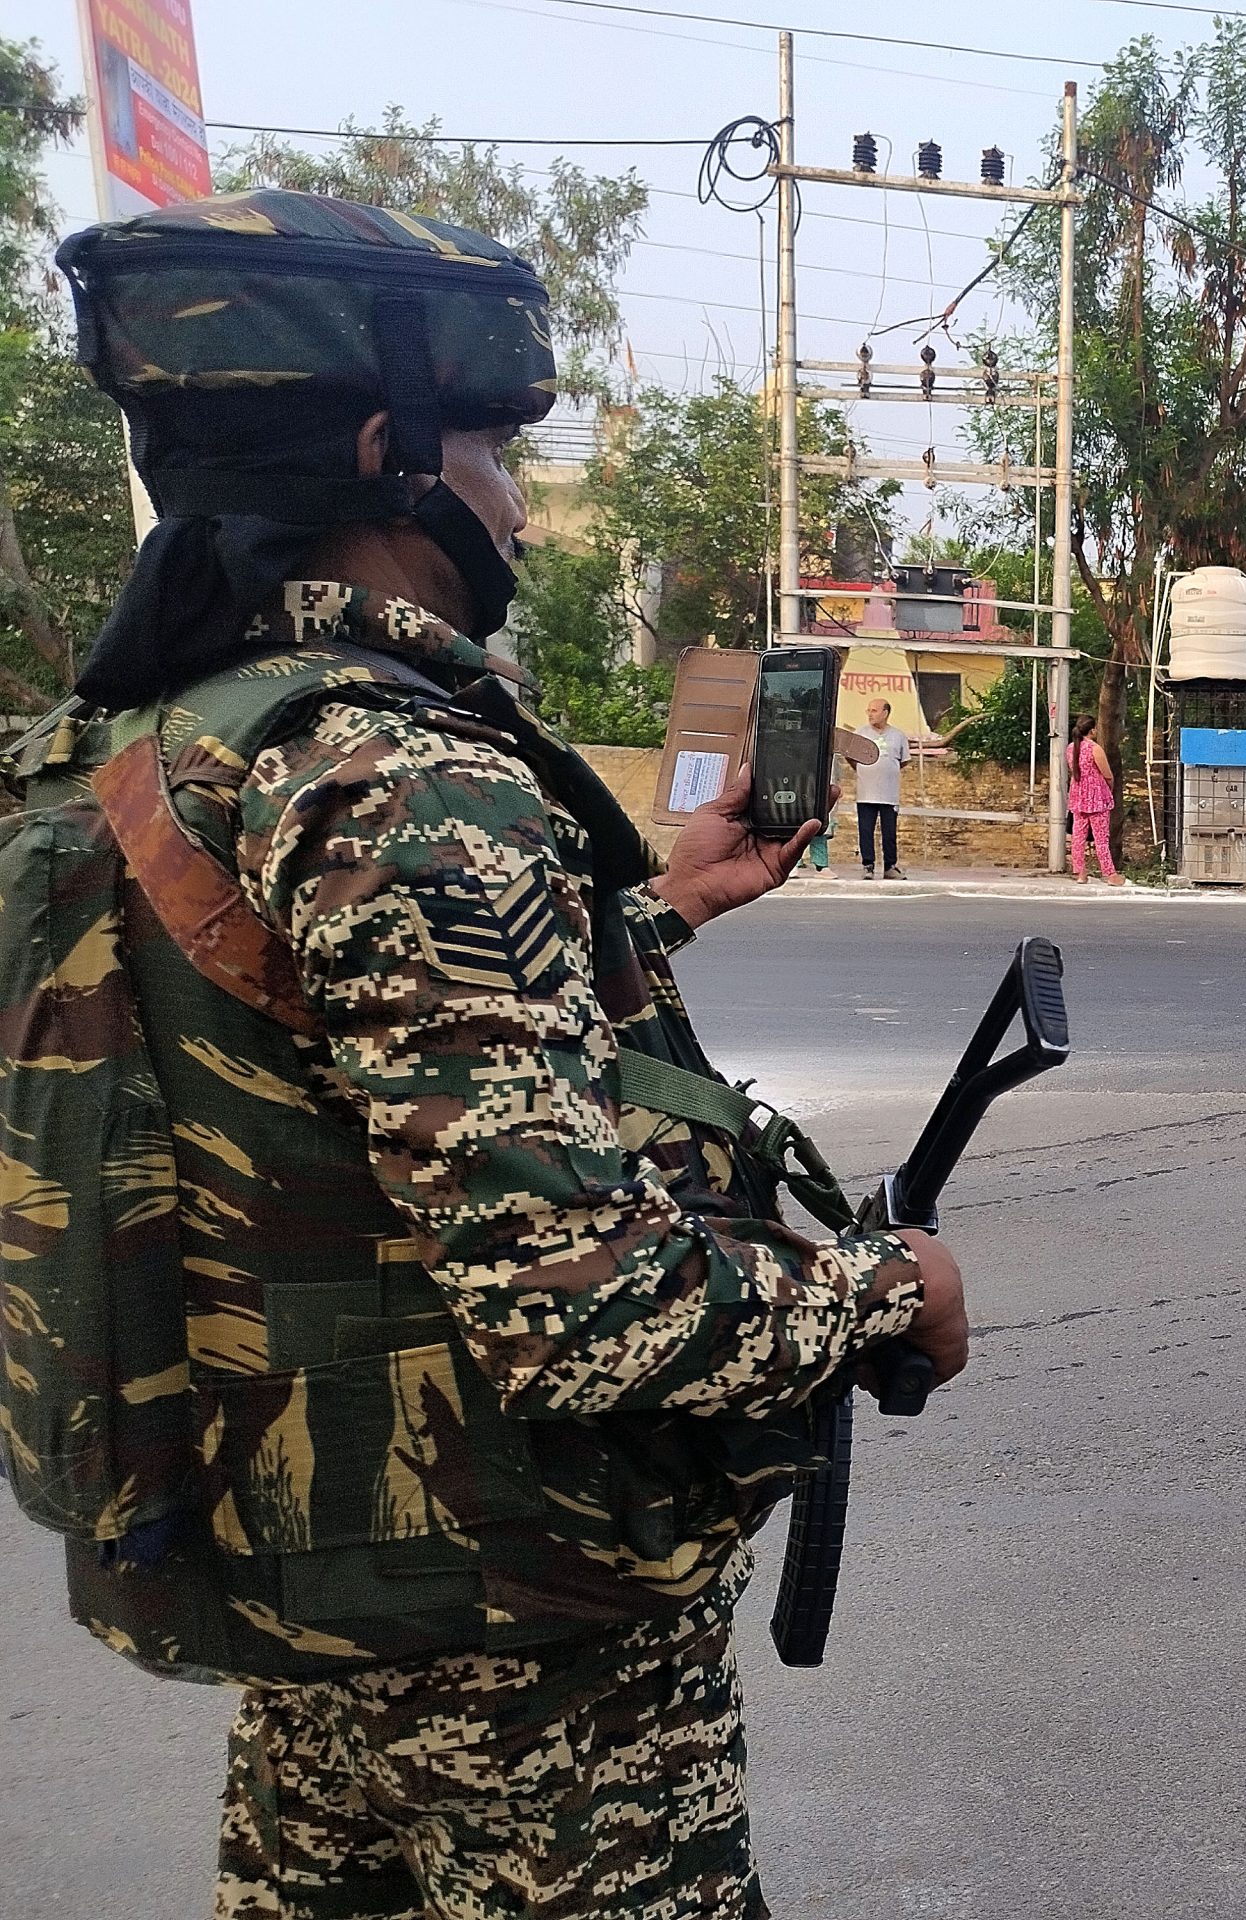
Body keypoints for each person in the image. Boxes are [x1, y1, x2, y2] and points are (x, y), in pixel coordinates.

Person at [23, 189, 969, 1917]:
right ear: (392, 455)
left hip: (303, 1578)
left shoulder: (159, 741)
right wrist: (889, 1291)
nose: (514, 496)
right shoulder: (397, 772)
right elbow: (589, 1309)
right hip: (521, 1638)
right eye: (493, 449)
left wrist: (664, 911)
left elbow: (317, 1053)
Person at [853, 695, 912, 879]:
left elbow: (903, 761)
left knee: (889, 833)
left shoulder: (898, 735)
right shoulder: (860, 733)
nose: (869, 714)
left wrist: (887, 770)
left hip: (889, 794)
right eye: (868, 710)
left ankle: (890, 867)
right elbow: (850, 757)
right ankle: (868, 866)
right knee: (865, 831)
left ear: (885, 713)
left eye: (874, 710)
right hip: (866, 792)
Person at [1066, 713, 1122, 883]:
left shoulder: (1070, 748)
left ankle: (1080, 873)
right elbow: (1107, 775)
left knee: (1078, 836)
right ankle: (1110, 874)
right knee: (1101, 837)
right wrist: (1109, 788)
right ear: (1091, 730)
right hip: (1097, 797)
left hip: (1078, 795)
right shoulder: (1095, 749)